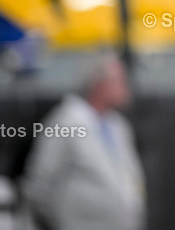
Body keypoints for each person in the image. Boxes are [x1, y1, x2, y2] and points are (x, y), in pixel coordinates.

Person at [22, 53, 145, 230]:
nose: (126, 88)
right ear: (99, 85)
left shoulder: (119, 126)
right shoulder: (65, 122)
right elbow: (38, 185)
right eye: (119, 81)